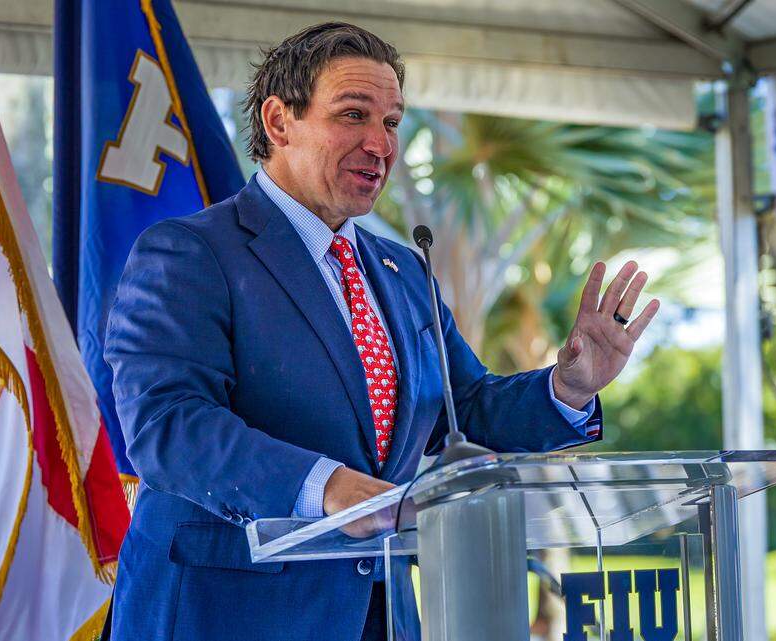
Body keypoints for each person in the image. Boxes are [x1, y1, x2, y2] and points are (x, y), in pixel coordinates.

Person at [103, 22, 660, 641]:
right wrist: (328, 488)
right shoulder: (191, 254)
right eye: (353, 115)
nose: (380, 144)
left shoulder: (401, 273)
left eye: (392, 123)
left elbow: (466, 404)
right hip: (227, 613)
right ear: (279, 121)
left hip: (382, 614)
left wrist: (570, 387)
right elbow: (169, 427)